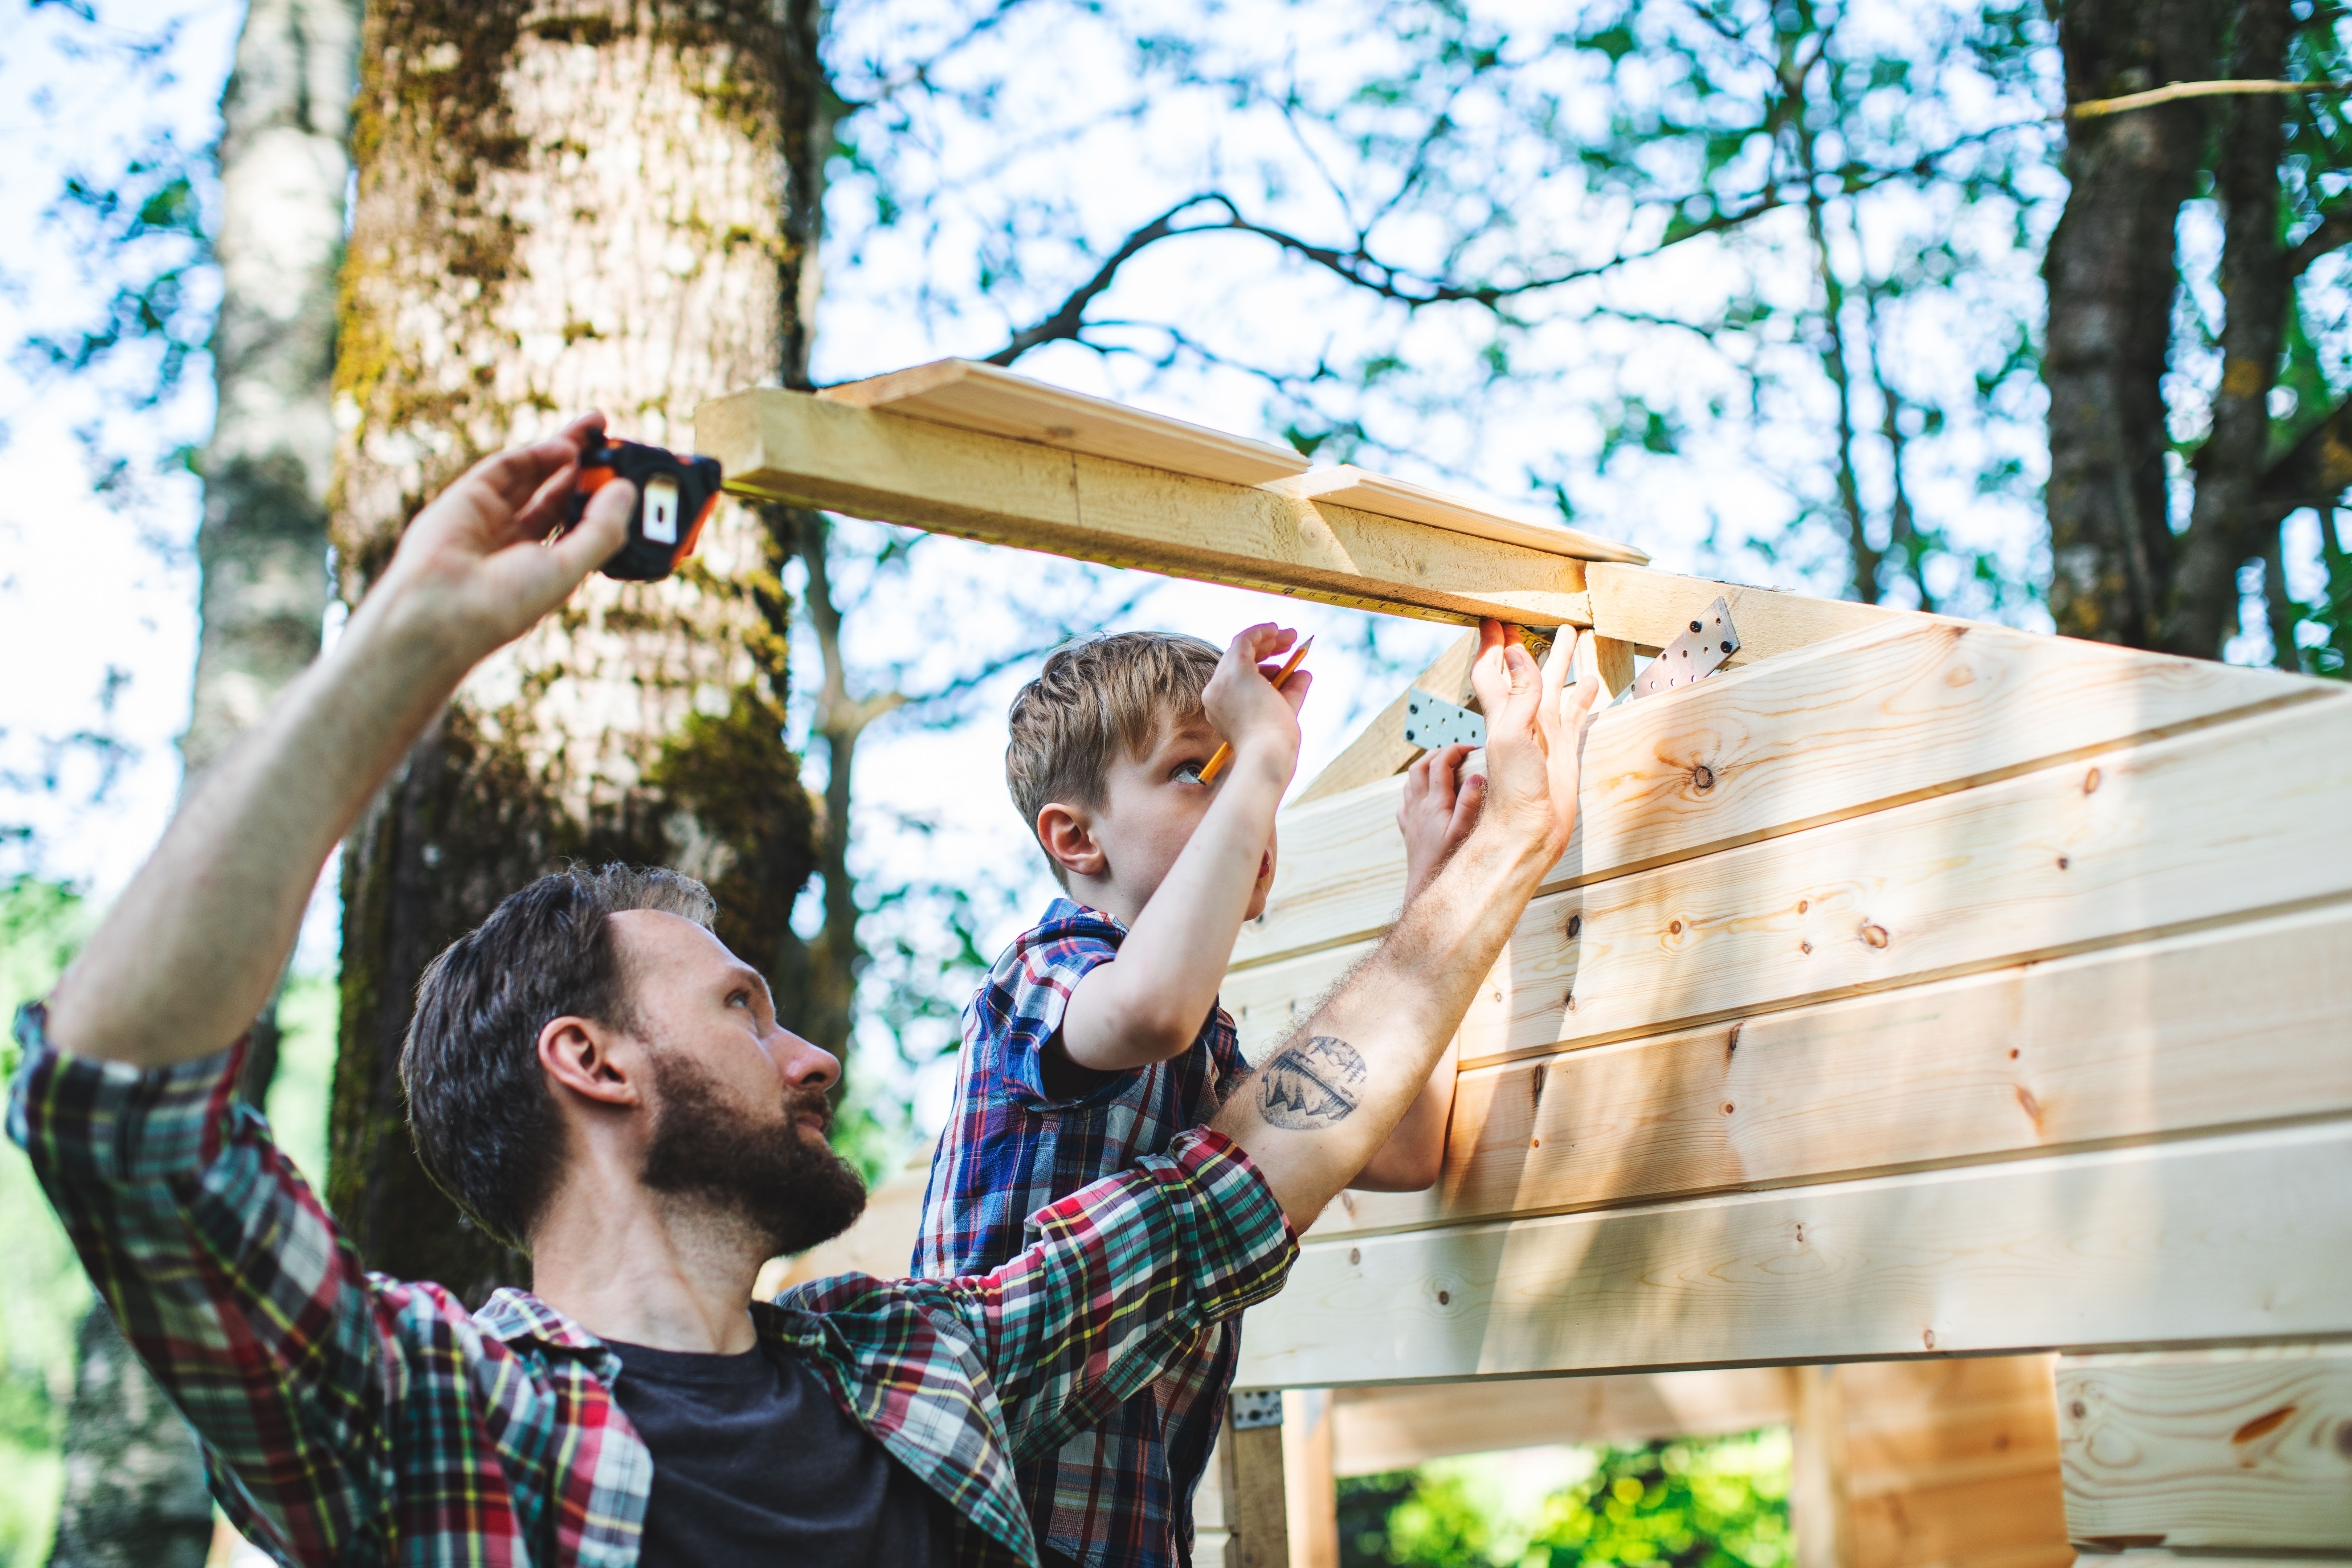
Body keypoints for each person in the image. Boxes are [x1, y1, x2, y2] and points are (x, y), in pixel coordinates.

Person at [7, 413, 1602, 1567]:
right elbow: (126, 1126)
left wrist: (1497, 856)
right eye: (745, 1010)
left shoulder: (930, 1372)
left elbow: (1253, 1176)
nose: (819, 1052)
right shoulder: (444, 1428)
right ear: (592, 1063)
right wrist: (412, 637)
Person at [916, 627, 1487, 1568]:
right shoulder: (1045, 973)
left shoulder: (1205, 1053)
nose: (1250, 805)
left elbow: (1400, 1146)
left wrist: (1436, 885)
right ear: (1075, 836)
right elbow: (1150, 1008)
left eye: (1252, 778)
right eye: (1198, 770)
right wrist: (1266, 750)